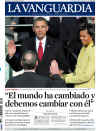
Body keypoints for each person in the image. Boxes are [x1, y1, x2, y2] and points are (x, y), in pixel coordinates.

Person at [50, 23, 95, 88]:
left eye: (84, 36)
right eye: (80, 36)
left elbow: (86, 76)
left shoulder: (93, 51)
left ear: (91, 36)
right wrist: (62, 76)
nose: (81, 38)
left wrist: (65, 79)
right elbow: (77, 73)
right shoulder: (83, 48)